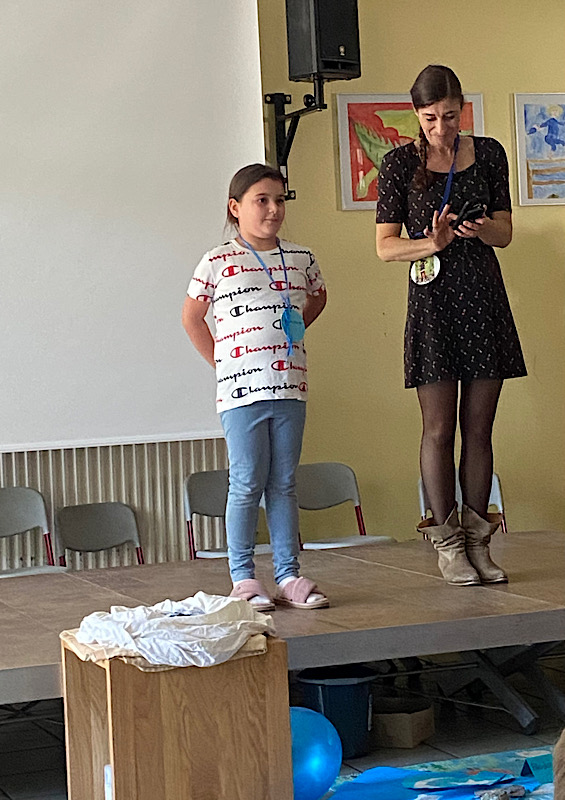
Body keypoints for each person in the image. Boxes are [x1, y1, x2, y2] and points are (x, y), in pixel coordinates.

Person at [376, 65, 526, 586]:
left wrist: (481, 229)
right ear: (416, 116)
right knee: (439, 429)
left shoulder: (489, 153)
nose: (441, 128)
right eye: (430, 119)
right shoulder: (399, 163)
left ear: (463, 109)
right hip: (434, 303)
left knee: (480, 428)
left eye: (450, 116)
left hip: (483, 298)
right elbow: (385, 246)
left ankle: (480, 542)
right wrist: (433, 243)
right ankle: (448, 545)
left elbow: (506, 232)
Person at [182, 163, 329, 610]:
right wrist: (223, 362)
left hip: (290, 386)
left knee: (283, 482)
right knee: (246, 481)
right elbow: (192, 317)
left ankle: (288, 575)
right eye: (261, 200)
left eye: (279, 200)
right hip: (241, 393)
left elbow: (318, 296)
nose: (273, 209)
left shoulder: (301, 258)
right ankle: (243, 577)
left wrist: (291, 333)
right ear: (236, 207)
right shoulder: (217, 260)